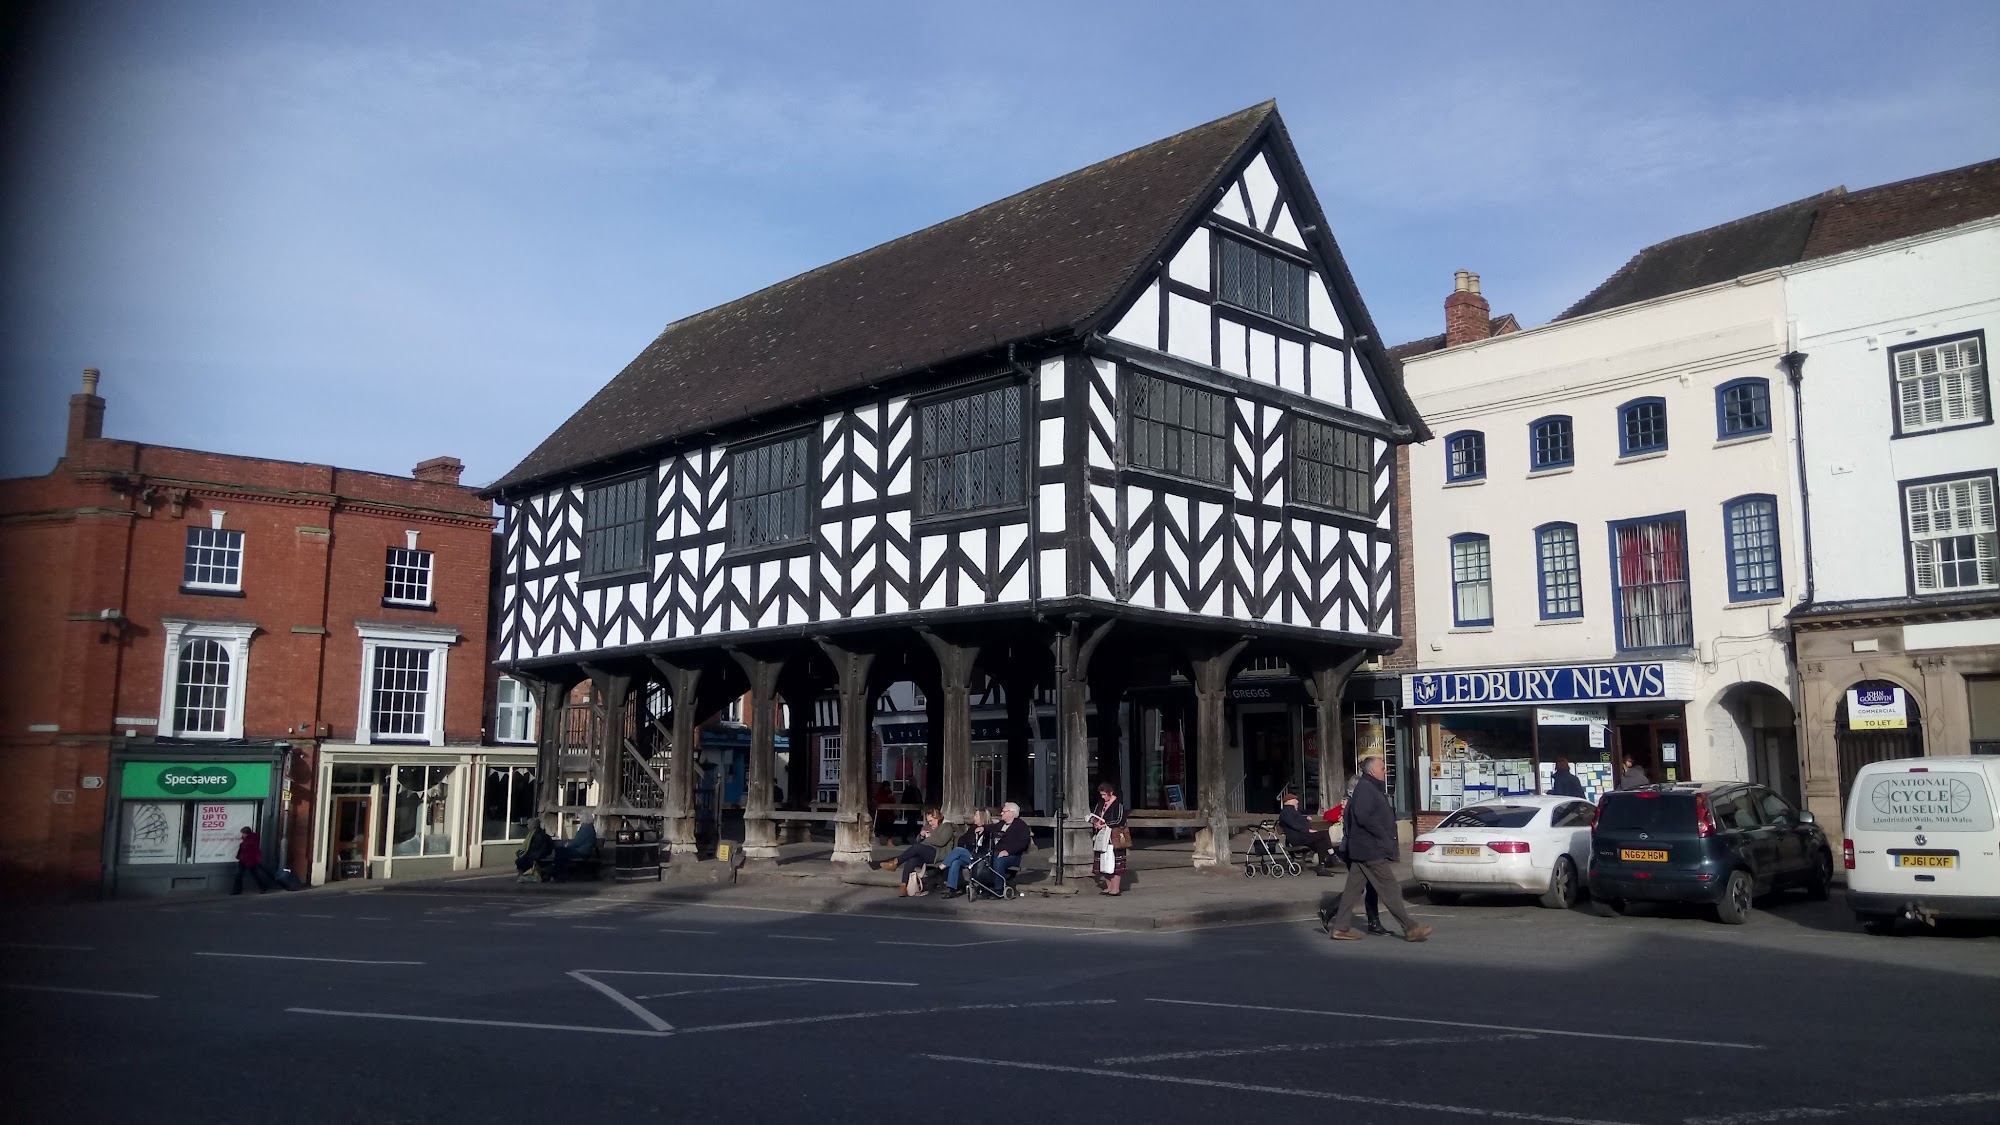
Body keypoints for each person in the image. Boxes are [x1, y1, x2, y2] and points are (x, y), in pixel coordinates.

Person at [1326, 755, 1431, 943]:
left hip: (1363, 848)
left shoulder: (1369, 787)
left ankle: (1340, 928)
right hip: (1369, 848)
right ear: (1372, 771)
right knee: (1390, 887)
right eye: (1383, 768)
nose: (1386, 771)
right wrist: (1382, 834)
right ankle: (1410, 927)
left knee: (1352, 890)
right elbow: (1363, 816)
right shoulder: (1366, 788)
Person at [885, 807, 955, 896]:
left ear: (938, 818)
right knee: (912, 860)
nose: (930, 823)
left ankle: (896, 862)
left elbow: (941, 842)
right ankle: (903, 886)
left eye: (931, 820)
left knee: (916, 848)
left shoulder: (946, 827)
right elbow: (918, 840)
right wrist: (921, 836)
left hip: (938, 853)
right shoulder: (928, 827)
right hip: (926, 851)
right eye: (928, 821)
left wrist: (928, 838)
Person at [976, 802, 1031, 896]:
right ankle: (985, 886)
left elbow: (1023, 843)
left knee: (999, 861)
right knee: (983, 858)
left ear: (1011, 813)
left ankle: (998, 889)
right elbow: (992, 827)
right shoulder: (1002, 824)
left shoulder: (1021, 826)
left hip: (1013, 855)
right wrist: (983, 828)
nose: (1001, 813)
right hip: (997, 852)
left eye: (1004, 811)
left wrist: (1008, 851)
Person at [1278, 790, 1337, 874]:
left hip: (1301, 836)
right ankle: (1332, 855)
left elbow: (1298, 820)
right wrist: (1307, 830)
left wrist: (1305, 819)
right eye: (1295, 800)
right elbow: (1294, 824)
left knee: (1320, 842)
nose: (1297, 802)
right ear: (1288, 801)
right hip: (1297, 838)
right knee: (1323, 834)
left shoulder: (1292, 811)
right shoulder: (1287, 812)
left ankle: (1321, 866)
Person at [938, 808, 992, 896]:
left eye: (976, 816)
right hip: (970, 855)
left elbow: (985, 848)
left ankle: (939, 869)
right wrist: (972, 837)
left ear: (982, 817)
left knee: (958, 850)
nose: (974, 818)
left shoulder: (989, 830)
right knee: (956, 862)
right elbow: (961, 840)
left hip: (981, 858)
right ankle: (952, 889)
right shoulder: (973, 828)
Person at [1090, 781, 1127, 896]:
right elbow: (1096, 814)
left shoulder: (1118, 804)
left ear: (1110, 793)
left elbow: (1120, 820)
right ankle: (1108, 887)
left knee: (1114, 862)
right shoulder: (1100, 804)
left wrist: (1106, 824)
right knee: (1103, 861)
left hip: (1114, 836)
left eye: (1105, 794)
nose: (1103, 797)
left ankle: (1115, 888)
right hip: (1102, 836)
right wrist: (1095, 822)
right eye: (1101, 795)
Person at [232, 825, 277, 895]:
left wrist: (256, 859)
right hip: (243, 859)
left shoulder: (251, 841)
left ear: (247, 834)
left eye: (243, 833)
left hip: (250, 861)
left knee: (254, 875)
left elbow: (255, 851)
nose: (242, 835)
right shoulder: (246, 840)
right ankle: (236, 890)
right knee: (239, 875)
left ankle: (262, 887)